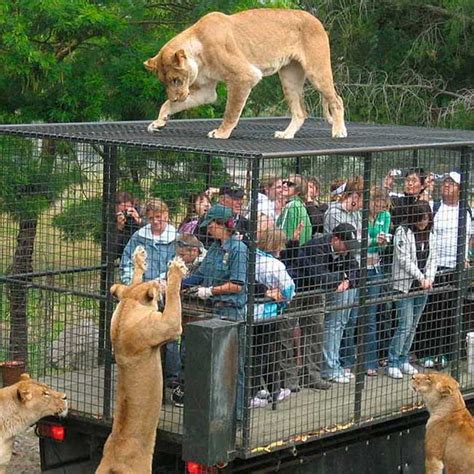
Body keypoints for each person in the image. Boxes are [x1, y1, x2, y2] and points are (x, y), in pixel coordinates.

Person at [184, 204, 248, 419]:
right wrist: (175, 282)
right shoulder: (213, 248)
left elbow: (238, 284)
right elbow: (199, 276)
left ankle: (236, 415)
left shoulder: (239, 250)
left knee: (232, 366)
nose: (208, 229)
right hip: (212, 313)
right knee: (211, 365)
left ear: (223, 225)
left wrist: (210, 291)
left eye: (211, 225)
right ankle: (213, 412)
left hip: (231, 314)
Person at [119, 198, 179, 387]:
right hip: (140, 294)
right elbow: (127, 261)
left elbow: (174, 267)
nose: (155, 221)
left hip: (162, 294)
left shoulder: (174, 238)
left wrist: (157, 284)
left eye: (159, 217)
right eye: (151, 218)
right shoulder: (139, 236)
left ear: (167, 216)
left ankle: (171, 376)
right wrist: (134, 283)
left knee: (167, 335)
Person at [416, 171, 472, 368]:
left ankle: (447, 353)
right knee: (432, 311)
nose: (447, 185)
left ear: (460, 188)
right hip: (435, 268)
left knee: (452, 313)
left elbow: (470, 237)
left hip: (457, 268)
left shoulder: (466, 211)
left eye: (452, 183)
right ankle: (426, 352)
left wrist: (467, 257)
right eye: (445, 182)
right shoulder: (434, 208)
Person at [294, 223, 360, 384]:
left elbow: (356, 270)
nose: (347, 249)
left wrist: (347, 281)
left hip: (316, 294)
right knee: (288, 333)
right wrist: (342, 277)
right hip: (299, 291)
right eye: (345, 244)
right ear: (335, 239)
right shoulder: (317, 247)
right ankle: (290, 380)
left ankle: (314, 374)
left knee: (316, 331)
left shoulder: (344, 251)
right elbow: (320, 276)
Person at [387, 200, 437, 379]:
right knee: (404, 324)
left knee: (414, 325)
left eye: (426, 218)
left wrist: (429, 278)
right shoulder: (403, 232)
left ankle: (403, 358)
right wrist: (421, 277)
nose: (423, 222)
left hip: (423, 288)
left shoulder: (431, 233)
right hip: (404, 287)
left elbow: (433, 259)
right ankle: (392, 361)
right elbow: (404, 259)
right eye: (420, 219)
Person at [249, 228, 295, 408]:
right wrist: (282, 297)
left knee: (255, 351)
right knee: (265, 353)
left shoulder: (252, 259)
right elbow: (289, 289)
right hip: (268, 314)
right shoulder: (276, 265)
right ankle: (254, 393)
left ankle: (271, 389)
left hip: (251, 312)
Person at [323, 176, 363, 376]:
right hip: (336, 274)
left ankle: (337, 364)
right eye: (361, 198)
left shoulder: (356, 215)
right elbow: (351, 246)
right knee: (334, 322)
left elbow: (359, 244)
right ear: (353, 196)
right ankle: (329, 367)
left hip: (350, 276)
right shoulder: (334, 213)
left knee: (344, 322)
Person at [169, 233, 206, 407]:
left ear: (194, 250)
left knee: (191, 351)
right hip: (185, 312)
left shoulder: (204, 264)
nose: (180, 258)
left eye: (183, 255)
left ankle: (188, 388)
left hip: (201, 313)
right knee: (184, 349)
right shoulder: (184, 262)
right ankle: (181, 384)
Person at [364, 186, 391, 376]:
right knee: (353, 317)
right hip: (359, 266)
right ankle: (349, 359)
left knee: (372, 315)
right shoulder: (362, 214)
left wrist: (382, 242)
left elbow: (382, 238)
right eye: (377, 205)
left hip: (375, 267)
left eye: (383, 207)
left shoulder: (386, 216)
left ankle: (370, 361)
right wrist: (374, 241)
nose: (379, 209)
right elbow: (361, 240)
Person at [194, 182, 249, 247]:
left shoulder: (245, 223)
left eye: (241, 198)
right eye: (235, 199)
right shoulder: (207, 219)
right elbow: (196, 244)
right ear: (222, 200)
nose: (240, 202)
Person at [277, 174, 312, 245]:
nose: (284, 185)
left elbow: (282, 235)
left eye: (289, 184)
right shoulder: (300, 205)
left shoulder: (291, 206)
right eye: (284, 182)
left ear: (298, 191)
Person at [112, 191, 144, 260]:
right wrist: (119, 229)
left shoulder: (143, 214)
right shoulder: (112, 221)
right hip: (127, 262)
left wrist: (139, 221)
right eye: (122, 212)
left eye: (127, 210)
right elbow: (112, 255)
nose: (125, 214)